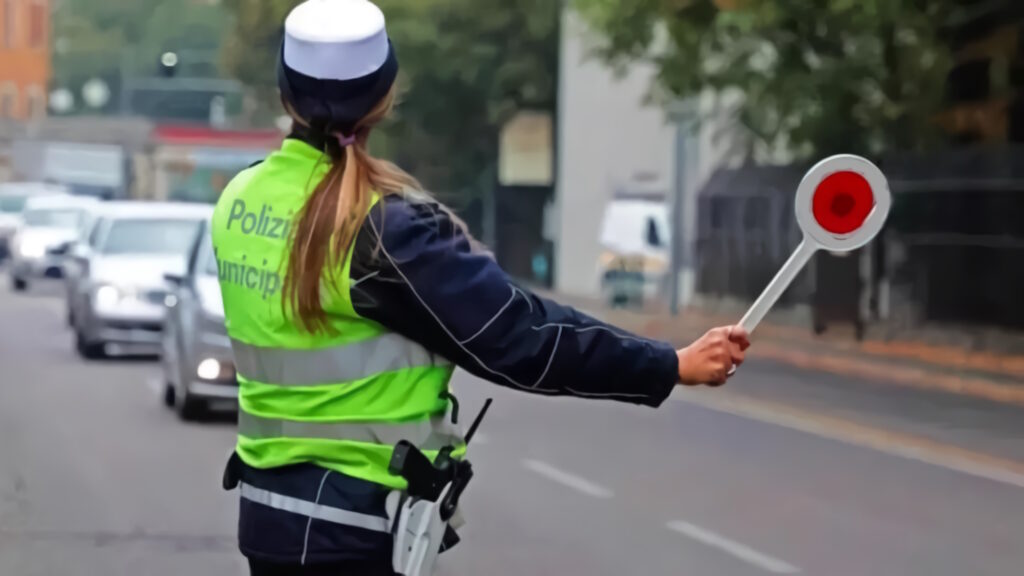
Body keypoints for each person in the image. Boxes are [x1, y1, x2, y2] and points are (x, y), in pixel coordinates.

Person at [211, 1, 750, 574]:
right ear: (384, 98)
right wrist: (668, 364)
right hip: (357, 526)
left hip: (268, 516)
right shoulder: (381, 228)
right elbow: (518, 337)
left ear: (283, 95)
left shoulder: (238, 200)